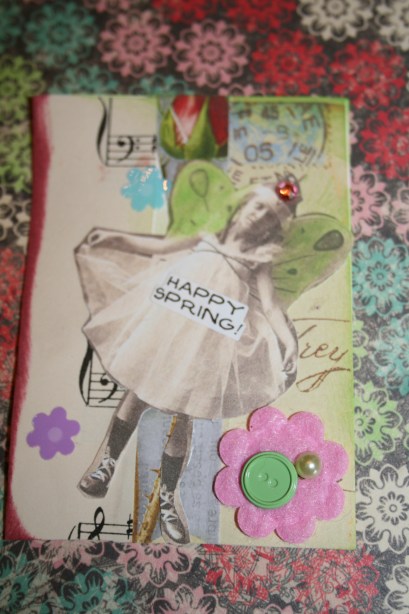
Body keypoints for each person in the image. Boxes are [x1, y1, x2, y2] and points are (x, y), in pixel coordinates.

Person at [75, 183, 299, 543]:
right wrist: (115, 238)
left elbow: (270, 306)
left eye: (268, 216)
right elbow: (157, 247)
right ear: (243, 207)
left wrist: (288, 341)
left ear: (271, 228)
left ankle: (167, 497)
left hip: (209, 348)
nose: (258, 217)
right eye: (256, 207)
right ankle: (107, 464)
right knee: (140, 391)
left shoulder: (257, 260)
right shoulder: (206, 236)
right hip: (171, 331)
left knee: (184, 415)